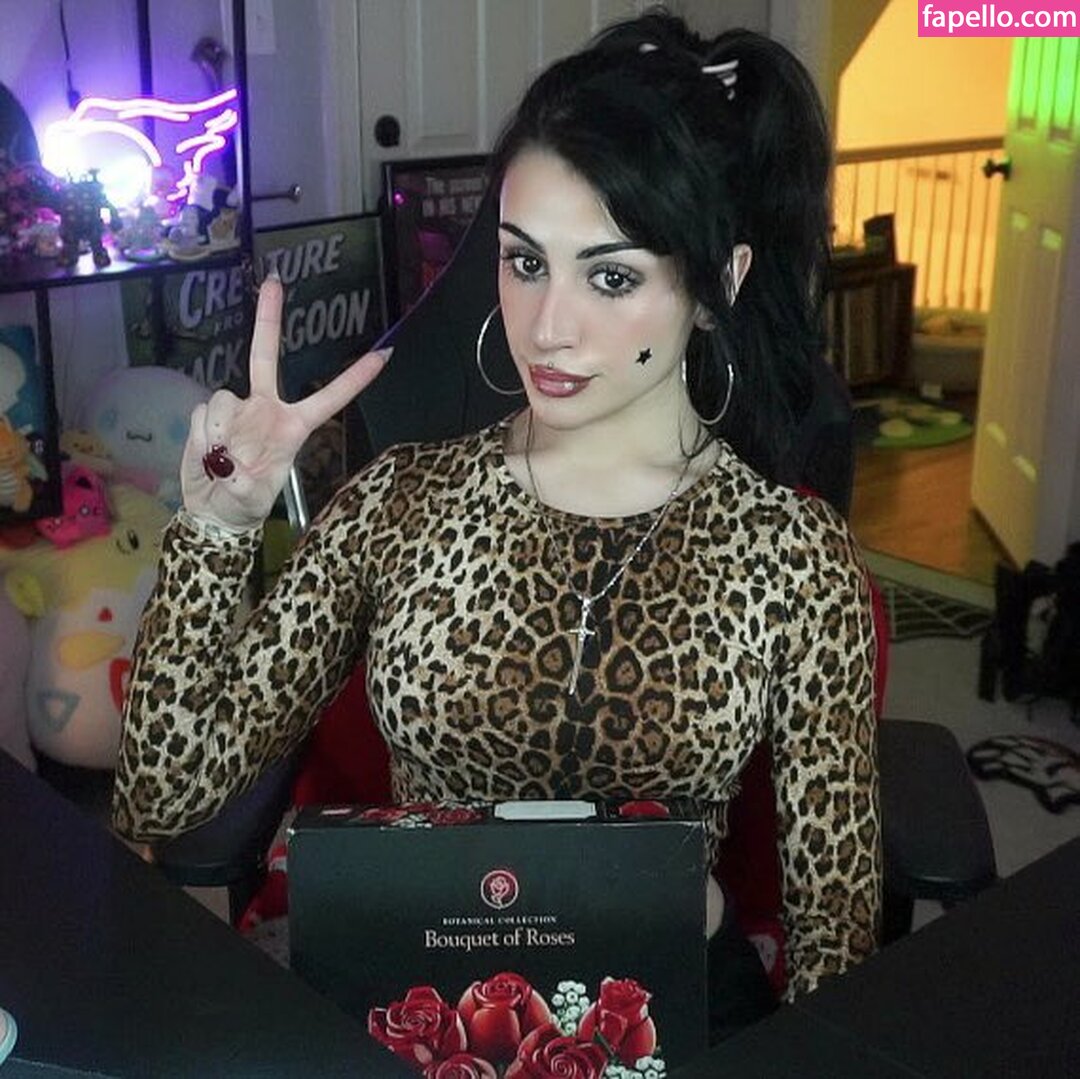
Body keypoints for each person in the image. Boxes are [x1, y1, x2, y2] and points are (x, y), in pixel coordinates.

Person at [113, 9, 880, 1038]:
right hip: (421, 998)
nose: (548, 326)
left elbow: (835, 934)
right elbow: (161, 795)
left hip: (668, 1002)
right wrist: (216, 530)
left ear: (717, 286)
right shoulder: (401, 502)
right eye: (525, 262)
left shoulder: (792, 556)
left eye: (611, 275)